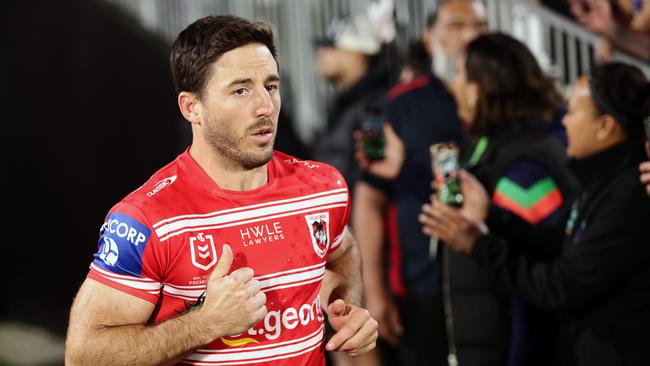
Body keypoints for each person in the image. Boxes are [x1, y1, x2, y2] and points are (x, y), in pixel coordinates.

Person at [64, 15, 378, 366]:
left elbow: (343, 247)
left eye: (270, 86)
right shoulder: (146, 219)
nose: (265, 107)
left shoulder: (322, 188)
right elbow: (84, 355)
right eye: (241, 90)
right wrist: (206, 323)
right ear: (191, 107)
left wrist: (347, 307)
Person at [421, 62, 650, 366]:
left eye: (573, 111)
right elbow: (559, 246)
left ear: (605, 126)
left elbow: (561, 286)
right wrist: (490, 216)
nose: (564, 122)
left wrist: (477, 244)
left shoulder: (629, 194)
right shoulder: (601, 179)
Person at [425, 32, 575, 366]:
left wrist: (479, 226)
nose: (453, 87)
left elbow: (544, 269)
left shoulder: (524, 167)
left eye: (460, 75)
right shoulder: (490, 146)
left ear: (477, 90)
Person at [353, 1, 487, 365]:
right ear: (429, 39)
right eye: (457, 25)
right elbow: (369, 198)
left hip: (492, 276)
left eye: (479, 26)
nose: (470, 36)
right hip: (420, 286)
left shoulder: (505, 100)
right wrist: (374, 290)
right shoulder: (401, 105)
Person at [313, 7, 394, 186]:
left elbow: (372, 177)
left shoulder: (373, 105)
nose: (322, 53)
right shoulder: (353, 102)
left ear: (355, 55)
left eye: (332, 47)